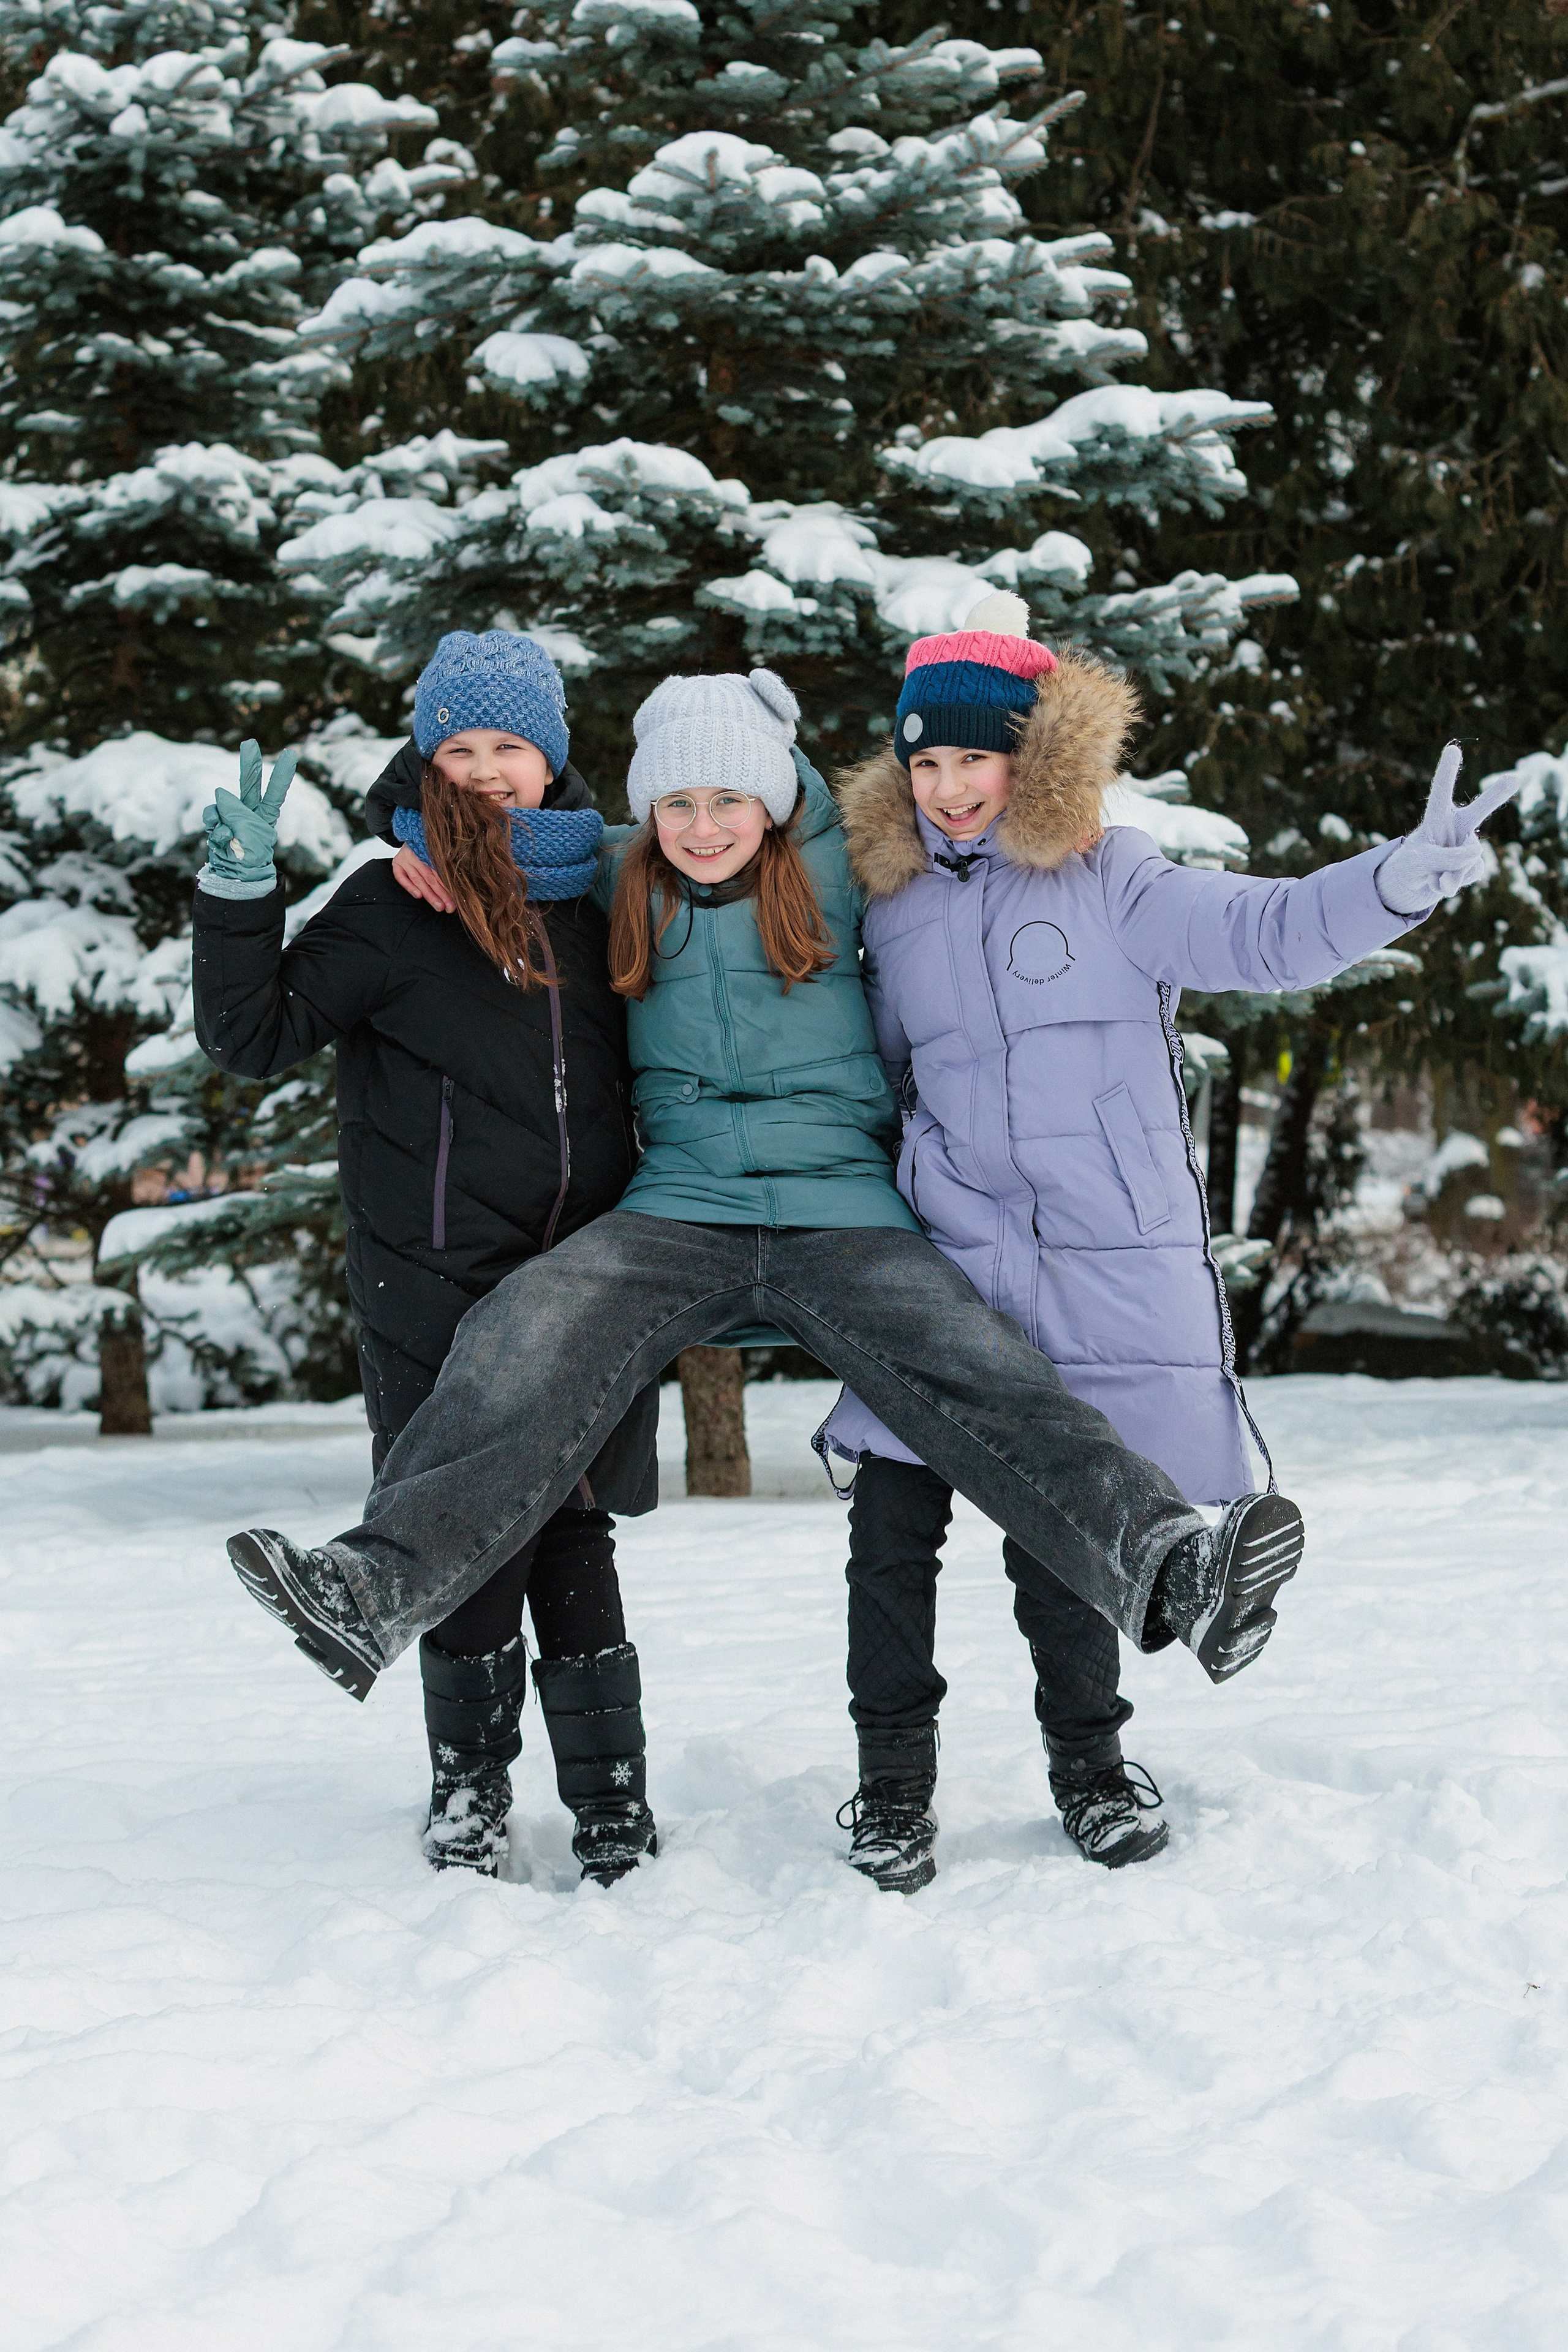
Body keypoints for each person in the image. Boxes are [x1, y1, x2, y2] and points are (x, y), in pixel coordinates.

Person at [222, 666, 1323, 1847]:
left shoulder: (842, 866)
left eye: (729, 798)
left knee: (987, 1372)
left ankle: (1171, 1567)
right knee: (522, 1328)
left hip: (841, 1212)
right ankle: (372, 1588)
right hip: (679, 1210)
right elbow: (496, 830)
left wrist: (1046, 772)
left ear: (773, 800)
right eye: (677, 805)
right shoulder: (612, 867)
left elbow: (959, 812)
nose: (702, 826)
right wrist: (412, 844)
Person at [820, 590, 1525, 1891]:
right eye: (925, 762)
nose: (950, 786)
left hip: (1095, 1262)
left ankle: (1089, 1770)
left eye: (974, 757)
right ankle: (890, 1791)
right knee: (888, 1532)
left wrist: (1394, 882)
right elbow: (873, 1077)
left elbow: (1258, 929)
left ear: (1030, 758)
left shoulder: (1113, 874)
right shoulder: (891, 911)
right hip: (944, 1264)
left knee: (1065, 1538)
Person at [192, 631, 660, 1885]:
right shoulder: (387, 900)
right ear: (428, 759)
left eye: (509, 746)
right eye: (460, 748)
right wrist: (241, 898)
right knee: (461, 1532)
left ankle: (611, 1799)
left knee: (570, 1530)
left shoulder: (608, 889)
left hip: (586, 1274)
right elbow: (250, 1033)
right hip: (433, 1276)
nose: (486, 770)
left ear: (552, 758)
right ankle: (468, 1793)